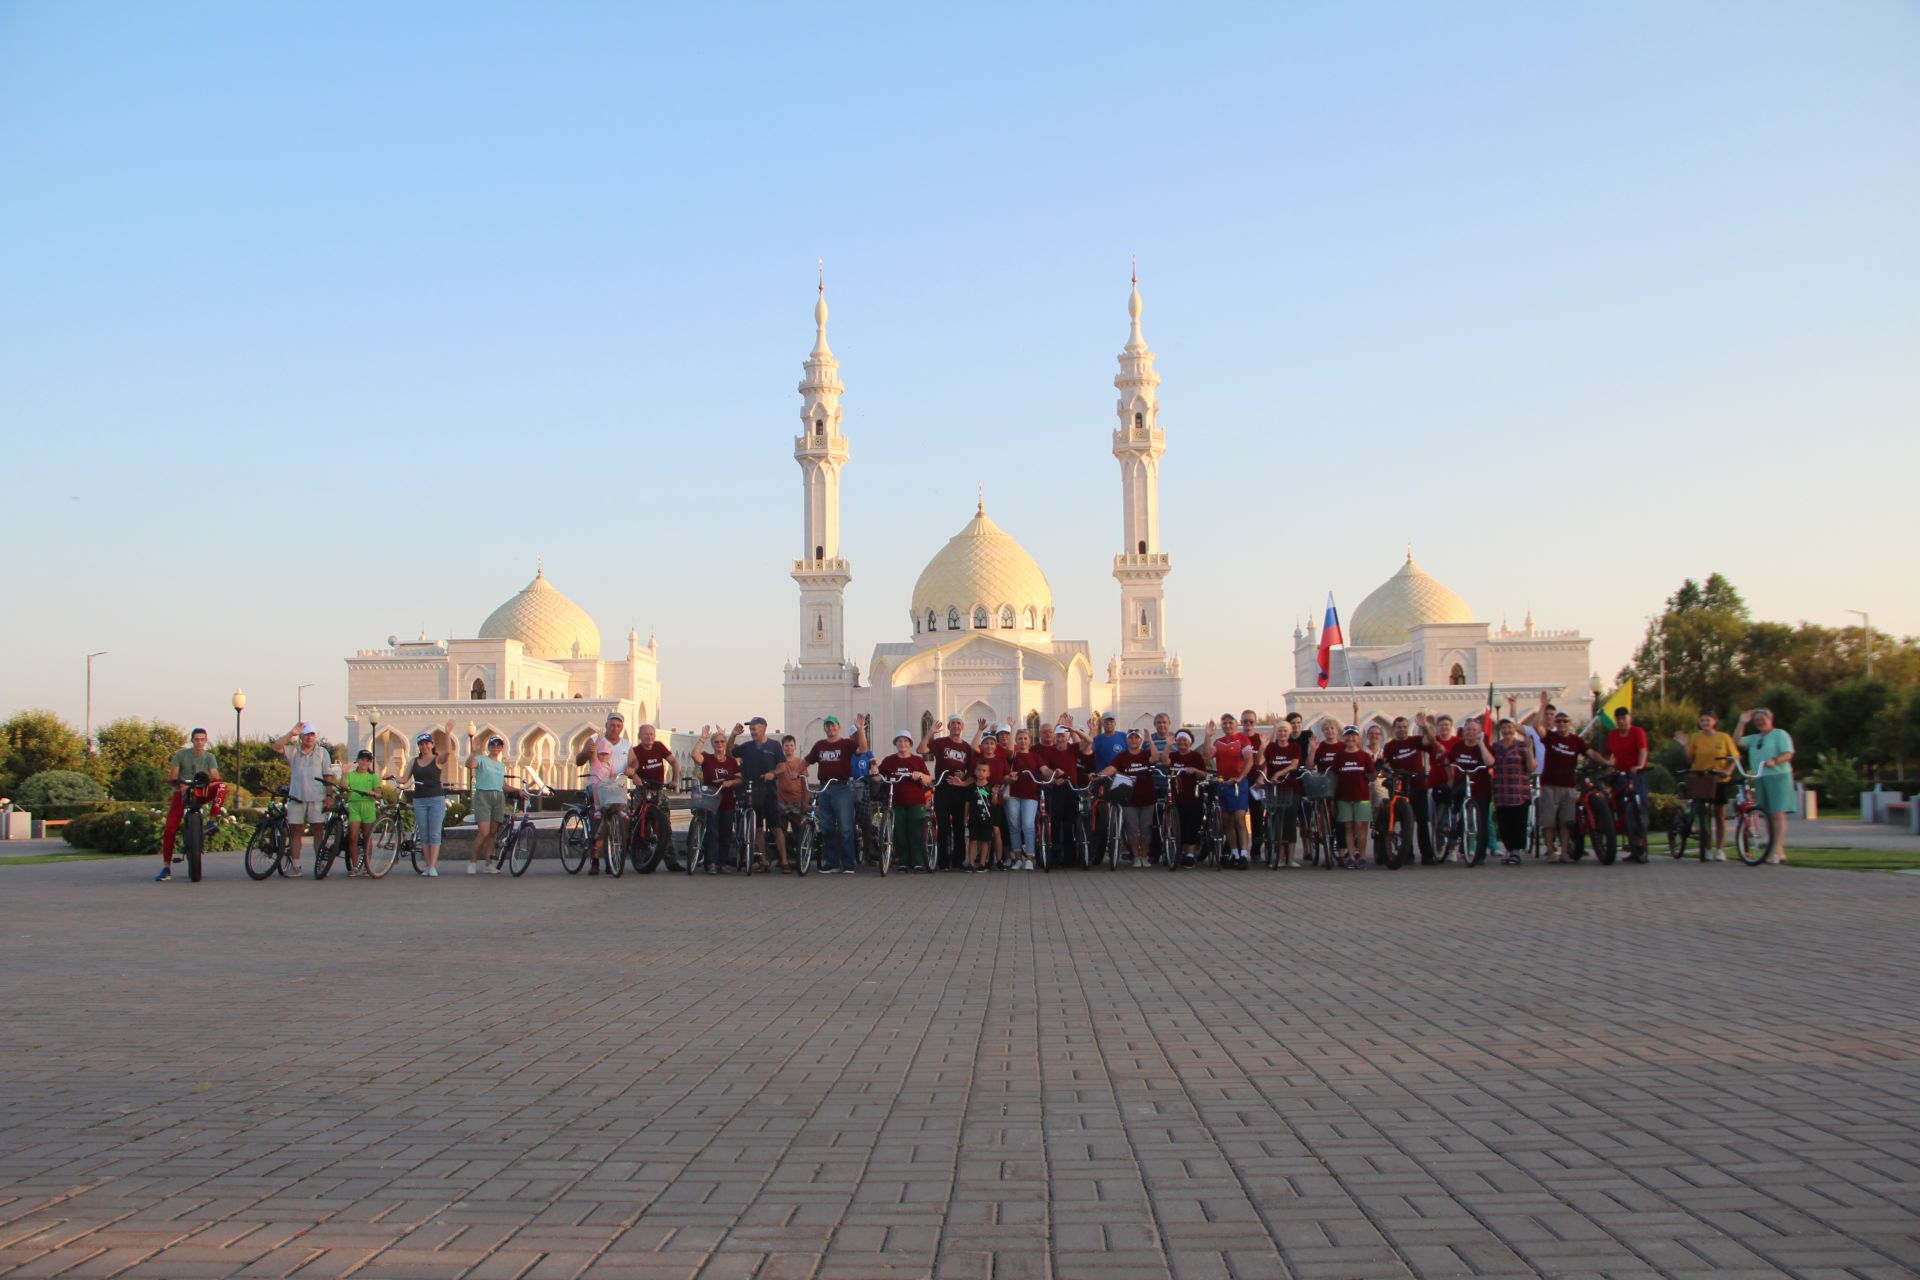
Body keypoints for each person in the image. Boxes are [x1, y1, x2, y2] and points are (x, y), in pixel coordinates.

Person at [269, 721, 339, 877]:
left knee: (318, 830)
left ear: (316, 736)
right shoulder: (294, 751)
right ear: (301, 736)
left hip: (317, 798)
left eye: (312, 734)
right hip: (297, 797)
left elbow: (328, 776)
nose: (309, 738)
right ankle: (296, 866)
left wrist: (329, 796)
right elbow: (276, 747)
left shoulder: (322, 753)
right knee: (295, 831)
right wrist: (291, 733)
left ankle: (319, 864)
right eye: (306, 734)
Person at [157, 727, 226, 881]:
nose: (199, 742)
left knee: (222, 787)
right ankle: (166, 867)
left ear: (206, 741)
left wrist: (213, 780)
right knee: (170, 829)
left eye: (202, 739)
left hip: (200, 792)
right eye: (197, 739)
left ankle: (212, 821)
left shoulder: (209, 757)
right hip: (181, 793)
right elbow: (173, 775)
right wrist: (180, 785)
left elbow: (215, 775)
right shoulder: (181, 755)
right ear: (192, 740)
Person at [1674, 711, 1739, 860]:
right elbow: (1690, 759)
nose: (1705, 723)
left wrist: (1728, 770)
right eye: (1702, 721)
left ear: (1714, 721)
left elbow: (1734, 756)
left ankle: (1720, 849)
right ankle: (1707, 847)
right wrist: (1685, 745)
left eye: (1707, 720)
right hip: (1700, 778)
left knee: (1720, 815)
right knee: (1703, 816)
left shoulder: (1724, 737)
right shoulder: (1696, 738)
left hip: (1719, 780)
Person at [573, 712, 632, 874]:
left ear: (622, 727)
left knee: (621, 820)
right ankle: (595, 860)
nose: (615, 728)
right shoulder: (594, 740)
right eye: (612, 725)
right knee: (598, 820)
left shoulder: (627, 745)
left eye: (618, 726)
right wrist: (587, 752)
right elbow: (579, 760)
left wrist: (632, 769)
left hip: (616, 789)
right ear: (606, 725)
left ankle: (613, 859)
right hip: (598, 788)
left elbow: (634, 763)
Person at [805, 715, 865, 873]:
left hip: (842, 788)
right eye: (828, 726)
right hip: (825, 789)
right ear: (825, 728)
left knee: (846, 827)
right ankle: (831, 863)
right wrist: (796, 772)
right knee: (827, 827)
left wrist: (860, 729)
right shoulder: (820, 745)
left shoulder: (846, 744)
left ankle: (848, 864)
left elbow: (863, 749)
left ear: (838, 727)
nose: (831, 729)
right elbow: (807, 760)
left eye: (833, 726)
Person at [1736, 707, 1795, 864]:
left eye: (1763, 719)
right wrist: (1742, 722)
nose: (1760, 722)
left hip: (1778, 776)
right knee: (1767, 814)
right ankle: (1778, 851)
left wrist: (1775, 761)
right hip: (1760, 776)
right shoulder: (1755, 738)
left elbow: (1788, 753)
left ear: (1770, 719)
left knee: (1778, 814)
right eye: (1757, 720)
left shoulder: (1779, 734)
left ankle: (1776, 850)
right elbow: (1737, 742)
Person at [395, 722, 453, 876]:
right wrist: (393, 777)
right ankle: (428, 865)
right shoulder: (414, 761)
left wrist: (447, 734)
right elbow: (404, 778)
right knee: (425, 834)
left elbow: (448, 753)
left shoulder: (437, 759)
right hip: (419, 800)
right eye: (421, 744)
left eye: (427, 743)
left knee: (434, 833)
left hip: (436, 799)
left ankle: (432, 866)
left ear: (432, 745)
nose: (424, 746)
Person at [1535, 695, 1587, 863]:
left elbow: (1591, 753)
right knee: (1548, 821)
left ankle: (1564, 852)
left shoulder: (1576, 740)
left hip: (1568, 785)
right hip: (1550, 784)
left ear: (1569, 723)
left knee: (1566, 821)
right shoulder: (1551, 737)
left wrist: (1606, 761)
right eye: (1559, 721)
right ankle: (1551, 851)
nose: (1562, 724)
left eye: (1565, 721)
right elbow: (1537, 726)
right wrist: (1542, 706)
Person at [1098, 728, 1160, 868]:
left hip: (1147, 797)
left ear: (1140, 740)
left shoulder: (1145, 754)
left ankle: (1144, 855)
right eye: (1130, 738)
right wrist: (1099, 775)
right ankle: (1136, 856)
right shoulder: (1122, 756)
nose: (1133, 740)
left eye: (1136, 738)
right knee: (1131, 828)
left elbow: (1156, 758)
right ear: (1127, 740)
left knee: (1146, 828)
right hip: (1128, 798)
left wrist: (1150, 740)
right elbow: (1112, 769)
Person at [730, 718, 786, 872]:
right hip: (752, 792)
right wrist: (733, 735)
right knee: (758, 828)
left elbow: (782, 767)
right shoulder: (747, 747)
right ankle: (763, 861)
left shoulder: (774, 746)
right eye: (751, 729)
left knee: (776, 827)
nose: (752, 731)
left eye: (755, 728)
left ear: (764, 728)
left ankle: (784, 861)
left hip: (769, 792)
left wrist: (772, 773)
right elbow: (730, 751)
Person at [625, 721, 683, 870]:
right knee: (643, 824)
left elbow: (674, 762)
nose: (649, 737)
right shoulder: (635, 750)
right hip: (642, 791)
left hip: (659, 790)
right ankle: (644, 859)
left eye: (651, 734)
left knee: (665, 827)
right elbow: (631, 767)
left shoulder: (659, 746)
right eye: (645, 734)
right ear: (639, 736)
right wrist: (635, 777)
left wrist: (675, 780)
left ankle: (671, 862)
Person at [873, 731, 933, 871]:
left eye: (905, 741)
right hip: (895, 801)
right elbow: (877, 778)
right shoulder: (889, 760)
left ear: (910, 744)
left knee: (916, 830)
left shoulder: (917, 760)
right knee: (899, 832)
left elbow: (928, 779)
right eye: (900, 741)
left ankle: (918, 861)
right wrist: (874, 769)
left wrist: (920, 775)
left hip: (915, 801)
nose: (902, 744)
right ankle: (903, 861)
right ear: (896, 743)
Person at [927, 715, 977, 872]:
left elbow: (972, 772)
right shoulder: (940, 743)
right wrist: (931, 732)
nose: (956, 725)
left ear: (962, 727)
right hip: (943, 789)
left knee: (959, 826)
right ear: (949, 726)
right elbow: (921, 749)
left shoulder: (967, 748)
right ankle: (943, 861)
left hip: (960, 791)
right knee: (943, 826)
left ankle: (958, 860)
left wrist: (964, 777)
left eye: (959, 723)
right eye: (953, 723)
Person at [1382, 716, 1434, 864]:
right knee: (1405, 822)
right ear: (1394, 728)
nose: (1402, 729)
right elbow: (1386, 766)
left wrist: (1425, 727)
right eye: (1399, 727)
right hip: (1401, 789)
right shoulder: (1390, 746)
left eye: (1404, 726)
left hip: (1418, 785)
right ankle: (1406, 854)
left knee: (1422, 821)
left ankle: (1427, 855)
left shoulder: (1415, 740)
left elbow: (1430, 741)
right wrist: (1387, 772)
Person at [1038, 720, 1090, 868]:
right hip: (1057, 790)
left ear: (1067, 737)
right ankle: (1054, 856)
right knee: (1055, 822)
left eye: (1063, 736)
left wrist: (1073, 730)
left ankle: (1070, 857)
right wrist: (1054, 779)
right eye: (1058, 736)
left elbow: (1089, 740)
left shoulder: (1073, 748)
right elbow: (1046, 771)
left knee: (1070, 823)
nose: (1060, 739)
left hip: (1072, 788)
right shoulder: (1051, 751)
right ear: (1055, 737)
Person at [1603, 706, 1651, 861]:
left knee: (1640, 805)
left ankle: (1641, 843)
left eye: (1624, 718)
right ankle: (1631, 843)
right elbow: (1609, 754)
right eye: (1618, 719)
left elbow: (1643, 750)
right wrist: (1609, 766)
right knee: (1620, 807)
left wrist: (1640, 765)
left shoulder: (1638, 732)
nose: (1621, 722)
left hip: (1636, 773)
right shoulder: (1613, 735)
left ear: (1630, 718)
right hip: (1620, 774)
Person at [1447, 718, 1495, 866]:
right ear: (1464, 731)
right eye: (1468, 730)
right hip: (1462, 784)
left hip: (1480, 789)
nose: (1470, 733)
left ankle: (1480, 855)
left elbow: (1490, 762)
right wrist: (1451, 778)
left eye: (1474, 730)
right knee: (1458, 808)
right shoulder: (1458, 747)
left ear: (1479, 732)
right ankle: (1455, 829)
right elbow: (1448, 761)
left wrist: (1481, 744)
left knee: (1482, 822)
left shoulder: (1484, 746)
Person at [693, 725, 741, 871]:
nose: (719, 744)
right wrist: (703, 738)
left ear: (725, 744)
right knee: (712, 831)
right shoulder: (708, 758)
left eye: (722, 742)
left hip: (727, 801)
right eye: (716, 742)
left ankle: (722, 863)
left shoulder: (731, 761)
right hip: (711, 799)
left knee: (726, 833)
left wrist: (730, 782)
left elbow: (740, 779)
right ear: (712, 744)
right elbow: (695, 755)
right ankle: (711, 862)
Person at [1261, 720, 1306, 866]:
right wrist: (1263, 746)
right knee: (1277, 821)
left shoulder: (1295, 747)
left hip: (1291, 788)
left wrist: (1279, 773)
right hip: (1274, 789)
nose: (1282, 733)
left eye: (1285, 731)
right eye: (1280, 730)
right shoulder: (1271, 747)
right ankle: (1280, 857)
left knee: (1290, 822)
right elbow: (1260, 761)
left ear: (1289, 733)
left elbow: (1294, 765)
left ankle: (1291, 858)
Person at [463, 734, 509, 874]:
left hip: (498, 797)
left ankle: (488, 864)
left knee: (493, 833)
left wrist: (520, 791)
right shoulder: (481, 759)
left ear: (501, 748)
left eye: (498, 745)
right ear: (488, 747)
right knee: (484, 832)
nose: (495, 747)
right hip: (483, 796)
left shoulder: (501, 766)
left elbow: (504, 785)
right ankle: (473, 862)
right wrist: (473, 751)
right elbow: (469, 765)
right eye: (493, 745)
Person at [1330, 726, 1375, 870]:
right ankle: (1351, 856)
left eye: (1353, 736)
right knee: (1348, 827)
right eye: (1348, 736)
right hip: (1343, 797)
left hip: (1361, 796)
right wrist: (1333, 798)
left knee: (1360, 827)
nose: (1350, 739)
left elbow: (1372, 775)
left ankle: (1361, 856)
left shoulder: (1364, 756)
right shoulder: (1339, 756)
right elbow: (1335, 777)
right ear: (1343, 738)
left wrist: (1377, 769)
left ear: (1358, 738)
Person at [1490, 718, 1534, 865]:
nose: (1506, 730)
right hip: (1502, 792)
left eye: (1509, 727)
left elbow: (1531, 768)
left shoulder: (1522, 746)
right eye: (1503, 728)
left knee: (1518, 823)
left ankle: (1516, 852)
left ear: (1514, 729)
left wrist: (1528, 751)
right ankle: (1509, 851)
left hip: (1519, 792)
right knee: (1504, 824)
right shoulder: (1495, 747)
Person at [1002, 729, 1047, 871]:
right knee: (1014, 826)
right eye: (1020, 738)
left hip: (1030, 796)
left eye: (1025, 738)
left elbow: (1045, 770)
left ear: (1030, 740)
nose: (1023, 741)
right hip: (1013, 795)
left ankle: (1030, 857)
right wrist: (1012, 727)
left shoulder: (1035, 756)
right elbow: (1009, 752)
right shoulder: (1013, 756)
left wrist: (1056, 775)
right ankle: (1017, 857)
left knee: (1028, 825)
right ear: (1016, 741)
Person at [1418, 713, 1460, 859]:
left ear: (1451, 727)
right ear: (1437, 728)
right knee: (1436, 817)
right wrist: (1425, 727)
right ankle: (1440, 845)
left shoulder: (1457, 742)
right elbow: (1427, 740)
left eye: (1447, 725)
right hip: (1435, 784)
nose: (1444, 728)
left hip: (1453, 783)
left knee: (1453, 816)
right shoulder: (1433, 742)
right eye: (1441, 725)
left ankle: (1453, 847)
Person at [1166, 731, 1209, 868]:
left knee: (1192, 825)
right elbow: (1164, 761)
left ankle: (1190, 855)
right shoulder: (1173, 756)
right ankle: (1179, 852)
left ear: (1190, 742)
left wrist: (1195, 770)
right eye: (1179, 740)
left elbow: (1204, 775)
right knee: (1179, 826)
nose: (1182, 743)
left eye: (1185, 740)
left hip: (1193, 797)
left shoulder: (1195, 756)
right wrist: (1168, 745)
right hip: (1176, 796)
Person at [770, 736, 808, 871]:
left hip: (797, 802)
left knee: (799, 832)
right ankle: (783, 859)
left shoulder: (800, 763)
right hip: (781, 802)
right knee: (781, 831)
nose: (789, 748)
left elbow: (805, 784)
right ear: (782, 748)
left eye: (791, 745)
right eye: (786, 745)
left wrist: (805, 802)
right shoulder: (779, 763)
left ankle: (800, 859)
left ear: (795, 747)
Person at [342, 749, 381, 876]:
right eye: (362, 760)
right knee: (353, 837)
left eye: (367, 760)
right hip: (354, 805)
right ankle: (355, 866)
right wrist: (343, 773)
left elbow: (378, 794)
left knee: (367, 837)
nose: (364, 762)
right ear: (358, 760)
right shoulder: (351, 775)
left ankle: (367, 865)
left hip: (368, 806)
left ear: (370, 762)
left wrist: (373, 793)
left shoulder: (373, 776)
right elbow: (343, 786)